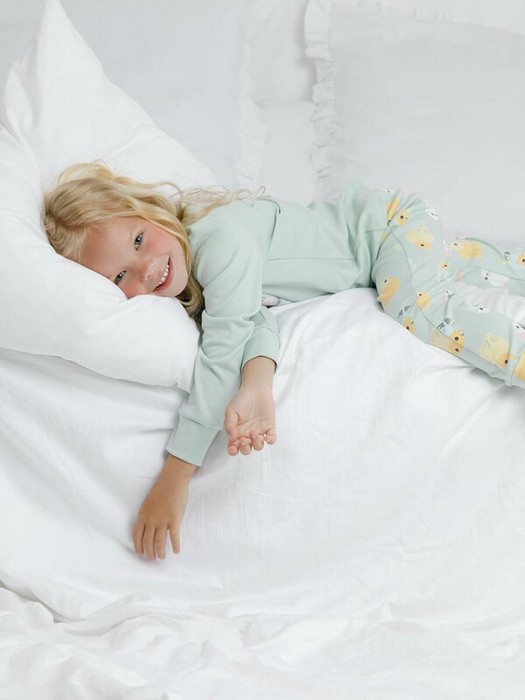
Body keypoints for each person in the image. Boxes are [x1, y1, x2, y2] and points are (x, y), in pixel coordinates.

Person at [43, 161, 525, 560]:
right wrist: (257, 384)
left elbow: (225, 344)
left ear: (150, 212)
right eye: (120, 276)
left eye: (138, 241)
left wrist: (176, 474)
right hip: (387, 233)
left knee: (421, 309)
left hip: (385, 231)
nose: (146, 268)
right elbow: (256, 319)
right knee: (457, 269)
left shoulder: (218, 240)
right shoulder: (193, 278)